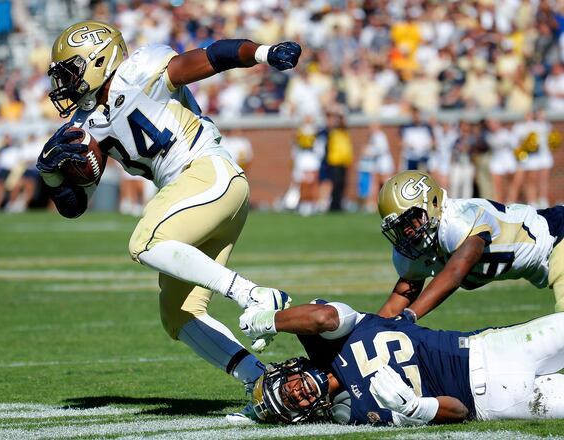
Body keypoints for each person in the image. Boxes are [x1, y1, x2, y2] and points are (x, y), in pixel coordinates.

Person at [34, 20, 300, 421]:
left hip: (208, 173)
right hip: (194, 198)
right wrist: (51, 175)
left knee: (144, 242)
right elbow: (75, 205)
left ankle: (254, 296)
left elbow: (213, 57)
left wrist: (263, 52)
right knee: (179, 315)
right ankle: (264, 382)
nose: (65, 83)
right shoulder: (84, 123)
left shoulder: (142, 71)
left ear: (98, 59)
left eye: (70, 71)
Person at [240, 300, 564, 425]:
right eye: (290, 404)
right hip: (494, 399)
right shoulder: (353, 412)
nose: (297, 394)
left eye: (287, 389)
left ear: (289, 369)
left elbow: (323, 317)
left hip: (491, 347)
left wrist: (269, 320)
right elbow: (460, 411)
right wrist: (415, 408)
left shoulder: (328, 336)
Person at [375, 170, 564, 322]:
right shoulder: (418, 247)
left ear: (433, 203)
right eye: (399, 227)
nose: (407, 231)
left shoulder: (459, 218)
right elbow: (394, 306)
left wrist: (409, 315)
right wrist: (368, 333)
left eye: (411, 220)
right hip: (543, 256)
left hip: (557, 236)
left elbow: (456, 272)